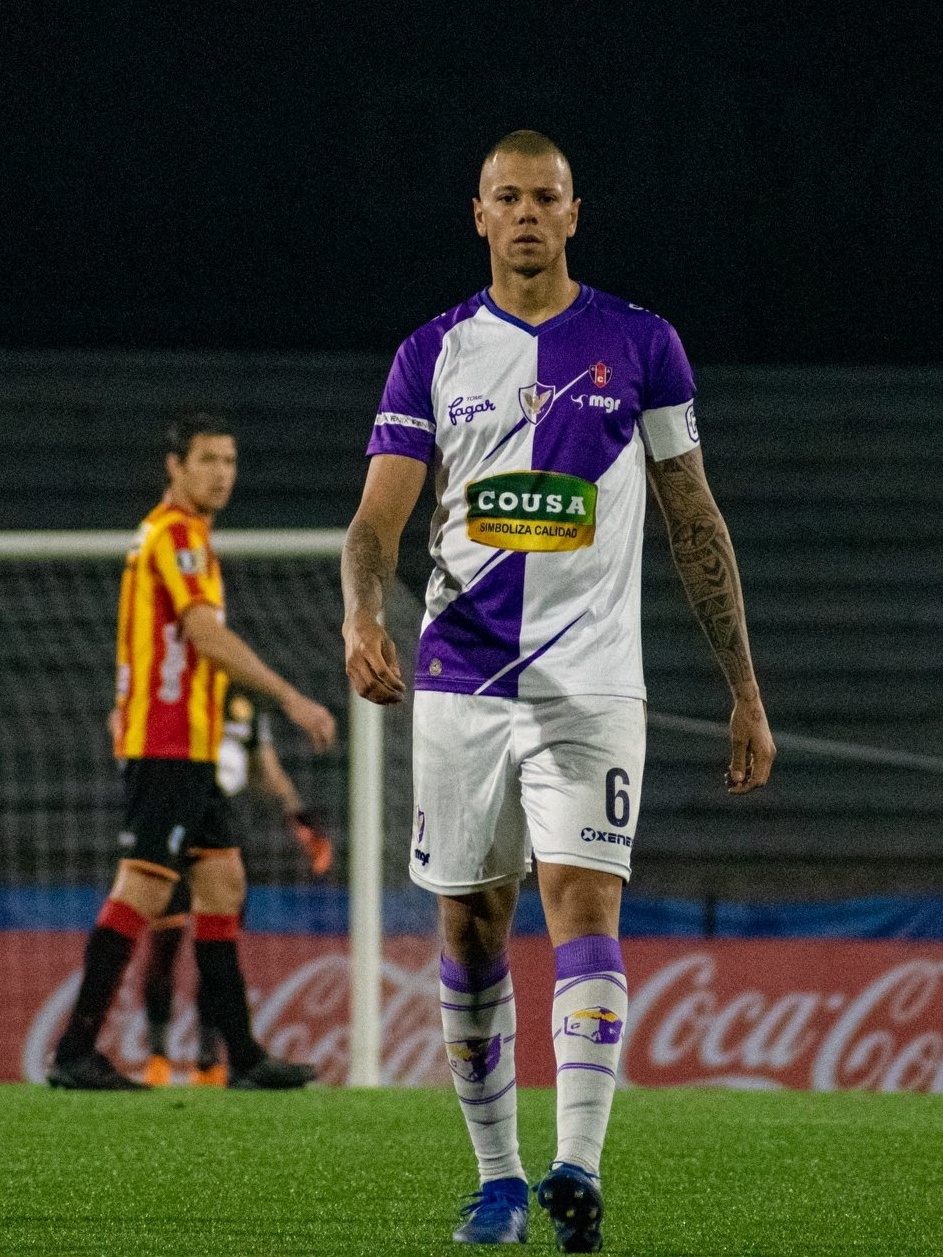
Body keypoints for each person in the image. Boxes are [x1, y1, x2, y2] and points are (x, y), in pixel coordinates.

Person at [341, 130, 775, 1251]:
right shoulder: (429, 354)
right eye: (507, 198)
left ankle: (576, 1167)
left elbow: (693, 516)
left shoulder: (641, 343)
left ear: (574, 213)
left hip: (591, 687)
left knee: (586, 905)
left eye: (546, 197)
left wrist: (744, 686)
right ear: (477, 214)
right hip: (460, 684)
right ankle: (497, 1179)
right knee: (472, 925)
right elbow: (376, 521)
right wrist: (359, 614)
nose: (527, 213)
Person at [49, 413, 336, 1091]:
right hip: (166, 744)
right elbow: (204, 637)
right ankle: (74, 1050)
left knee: (224, 883)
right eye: (207, 459)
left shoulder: (192, 538)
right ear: (174, 466)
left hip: (195, 747)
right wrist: (292, 698)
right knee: (145, 886)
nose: (221, 473)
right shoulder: (175, 535)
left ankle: (241, 1054)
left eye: (230, 460)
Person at [139, 685, 333, 1087]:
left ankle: (208, 1060)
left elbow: (265, 768)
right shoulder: (171, 685)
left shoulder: (243, 703)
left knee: (217, 944)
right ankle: (157, 1056)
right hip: (174, 809)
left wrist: (299, 814)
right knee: (166, 939)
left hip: (225, 820)